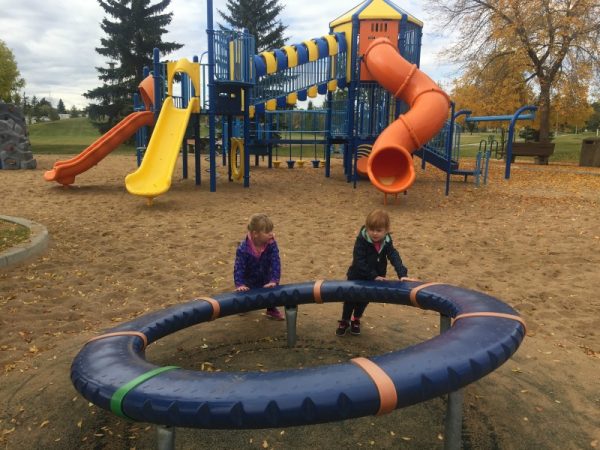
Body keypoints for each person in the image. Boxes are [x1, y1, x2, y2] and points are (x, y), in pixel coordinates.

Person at [336, 209, 408, 336]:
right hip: (357, 276)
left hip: (375, 278)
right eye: (371, 229)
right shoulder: (362, 240)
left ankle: (356, 319)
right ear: (367, 228)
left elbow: (394, 256)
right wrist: (373, 275)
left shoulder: (386, 242)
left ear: (386, 230)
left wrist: (402, 274)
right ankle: (345, 320)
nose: (374, 233)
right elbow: (359, 261)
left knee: (364, 299)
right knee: (350, 299)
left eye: (378, 230)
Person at [234, 213, 284, 320]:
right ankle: (245, 305)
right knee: (246, 292)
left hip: (266, 275)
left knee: (270, 291)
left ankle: (271, 309)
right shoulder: (243, 249)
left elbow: (276, 261)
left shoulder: (271, 244)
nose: (271, 234)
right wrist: (240, 284)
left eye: (271, 231)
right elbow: (239, 267)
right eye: (267, 232)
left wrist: (274, 279)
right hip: (250, 277)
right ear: (255, 234)